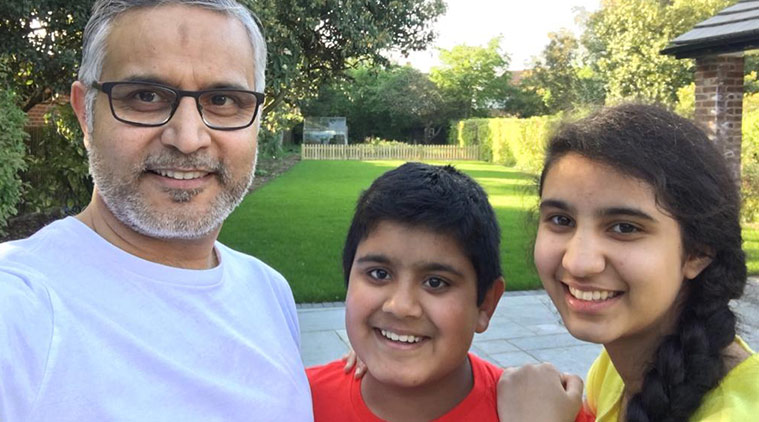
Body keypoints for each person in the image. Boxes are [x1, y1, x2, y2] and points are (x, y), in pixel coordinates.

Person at [0, 1, 312, 420]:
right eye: (145, 97)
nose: (188, 138)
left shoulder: (269, 292)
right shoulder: (18, 310)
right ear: (85, 114)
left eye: (222, 99)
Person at [498, 104, 758, 422]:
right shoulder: (615, 368)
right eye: (561, 220)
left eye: (624, 227)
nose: (578, 263)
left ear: (698, 253)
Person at [307, 162, 530, 421]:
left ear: (486, 304)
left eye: (435, 282)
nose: (401, 307)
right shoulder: (293, 403)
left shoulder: (537, 413)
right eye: (379, 274)